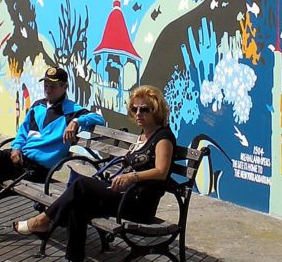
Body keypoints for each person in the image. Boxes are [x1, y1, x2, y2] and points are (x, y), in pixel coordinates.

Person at [13, 85, 176, 262]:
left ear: (156, 110)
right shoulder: (144, 135)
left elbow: (161, 171)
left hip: (138, 204)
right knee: (78, 204)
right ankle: (73, 258)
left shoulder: (163, 137)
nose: (138, 113)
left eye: (144, 109)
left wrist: (131, 176)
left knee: (81, 185)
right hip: (123, 195)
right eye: (134, 109)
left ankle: (42, 220)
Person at [0, 66, 106, 236]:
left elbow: (99, 119)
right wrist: (17, 148)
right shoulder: (37, 106)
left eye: (53, 86)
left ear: (64, 87)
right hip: (22, 160)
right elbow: (23, 131)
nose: (48, 89)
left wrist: (77, 121)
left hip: (40, 170)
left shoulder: (72, 110)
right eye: (46, 84)